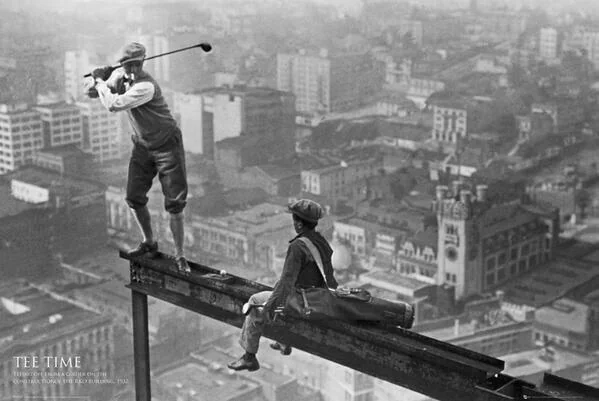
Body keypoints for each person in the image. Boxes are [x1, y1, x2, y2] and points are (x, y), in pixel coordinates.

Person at [87, 42, 190, 274]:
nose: (133, 70)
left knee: (174, 203)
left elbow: (113, 104)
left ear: (143, 63)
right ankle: (149, 243)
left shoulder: (146, 86)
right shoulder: (120, 77)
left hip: (166, 144)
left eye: (137, 64)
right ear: (123, 65)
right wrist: (98, 77)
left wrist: (101, 81)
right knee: (133, 196)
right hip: (143, 145)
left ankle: (180, 255)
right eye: (128, 65)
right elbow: (92, 93)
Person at [227, 199, 338, 372]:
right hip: (318, 298)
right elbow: (328, 276)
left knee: (259, 302)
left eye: (295, 221)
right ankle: (283, 342)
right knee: (278, 300)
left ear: (299, 224)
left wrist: (270, 306)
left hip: (302, 300)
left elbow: (286, 281)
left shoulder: (298, 247)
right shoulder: (321, 242)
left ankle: (249, 357)